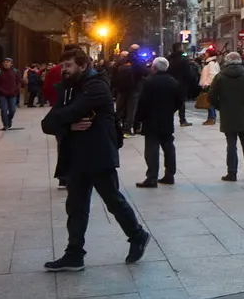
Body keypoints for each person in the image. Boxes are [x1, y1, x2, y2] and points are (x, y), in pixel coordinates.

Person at [40, 49, 149, 272]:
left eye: (68, 65)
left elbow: (70, 112)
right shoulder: (68, 88)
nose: (64, 70)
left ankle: (137, 235)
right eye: (63, 66)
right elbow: (48, 123)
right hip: (76, 155)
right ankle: (74, 254)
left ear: (83, 66)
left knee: (113, 201)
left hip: (99, 154)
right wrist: (68, 125)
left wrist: (64, 120)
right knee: (76, 206)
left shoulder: (97, 87)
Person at [208, 51, 244, 181]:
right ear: (239, 61)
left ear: (227, 62)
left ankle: (231, 172)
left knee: (231, 145)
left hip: (228, 115)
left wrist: (220, 107)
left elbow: (211, 96)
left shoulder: (220, 77)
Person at [134, 57, 180, 187]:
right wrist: (170, 110)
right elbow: (179, 101)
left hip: (151, 120)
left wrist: (137, 120)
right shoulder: (173, 81)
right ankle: (170, 174)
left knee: (151, 150)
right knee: (169, 147)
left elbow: (142, 102)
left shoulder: (149, 82)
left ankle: (152, 177)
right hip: (166, 119)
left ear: (154, 67)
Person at [0, 58, 20, 130]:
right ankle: (5, 124)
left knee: (12, 110)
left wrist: (16, 89)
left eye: (8, 62)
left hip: (12, 93)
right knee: (4, 109)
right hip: (2, 94)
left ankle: (9, 119)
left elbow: (18, 82)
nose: (6, 63)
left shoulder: (15, 71)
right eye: (4, 62)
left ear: (11, 64)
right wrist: (0, 90)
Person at [198, 53, 220, 124]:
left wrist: (206, 83)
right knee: (209, 101)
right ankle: (211, 117)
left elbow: (212, 74)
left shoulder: (211, 63)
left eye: (206, 53)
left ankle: (211, 118)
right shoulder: (212, 62)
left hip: (209, 85)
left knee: (209, 102)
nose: (205, 55)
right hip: (211, 84)